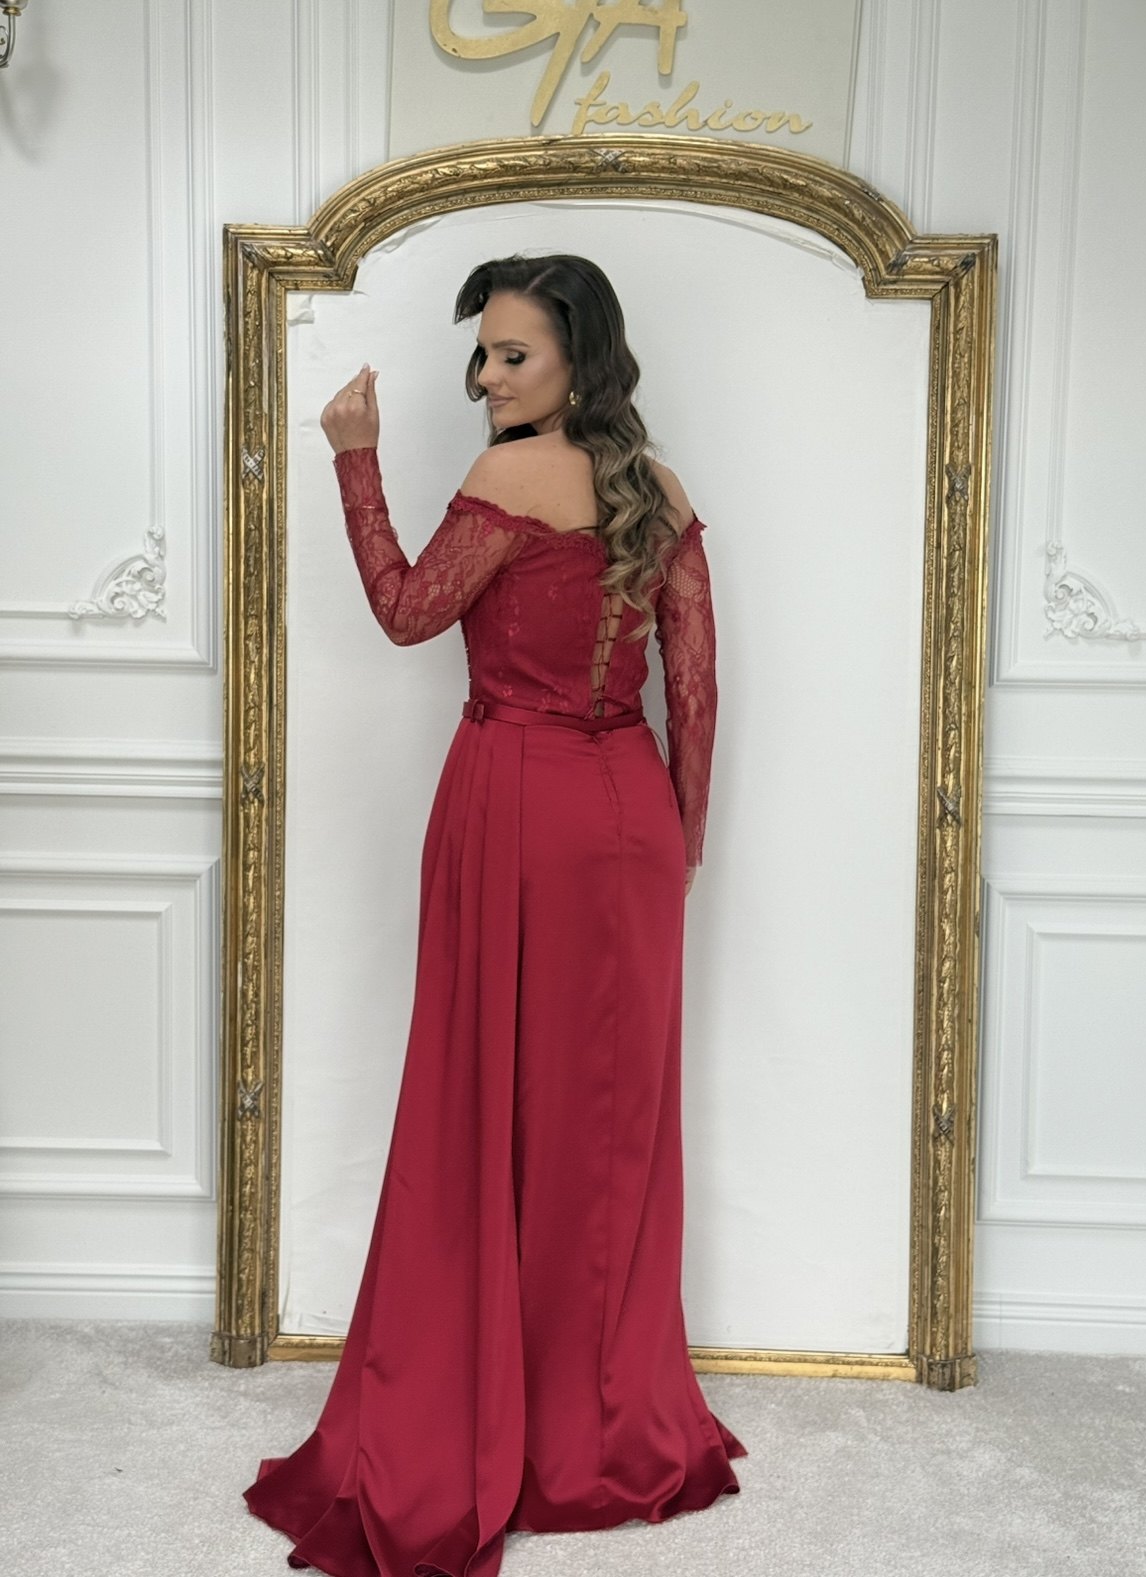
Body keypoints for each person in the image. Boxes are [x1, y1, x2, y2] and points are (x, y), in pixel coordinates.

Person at [243, 253, 744, 1577]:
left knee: (483, 1108)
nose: (486, 378)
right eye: (482, 355)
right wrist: (681, 841)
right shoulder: (659, 489)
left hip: (517, 805)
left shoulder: (512, 481)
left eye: (513, 354)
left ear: (581, 357)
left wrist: (355, 459)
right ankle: (604, 1426)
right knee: (609, 1129)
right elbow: (695, 686)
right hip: (630, 822)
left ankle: (486, 1407)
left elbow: (409, 610)